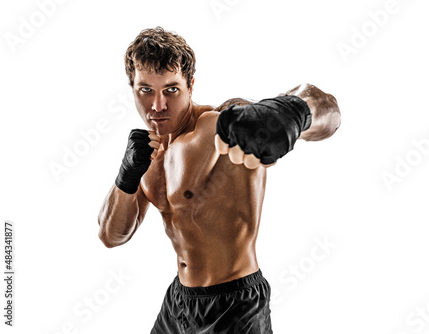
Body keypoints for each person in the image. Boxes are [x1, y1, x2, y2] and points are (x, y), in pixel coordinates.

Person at [97, 26, 341, 334]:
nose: (157, 106)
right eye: (146, 90)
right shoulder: (147, 153)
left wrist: (291, 112)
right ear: (133, 88)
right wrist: (127, 176)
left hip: (234, 305)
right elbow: (111, 235)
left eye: (171, 90)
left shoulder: (218, 126)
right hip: (178, 301)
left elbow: (329, 113)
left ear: (191, 85)